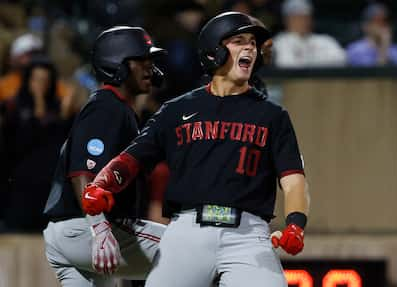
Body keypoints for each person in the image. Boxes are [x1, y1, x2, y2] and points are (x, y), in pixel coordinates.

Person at [81, 12, 310, 287]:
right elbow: (133, 158)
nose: (250, 47)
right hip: (187, 231)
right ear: (214, 51)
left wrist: (296, 224)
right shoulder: (177, 109)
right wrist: (102, 184)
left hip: (248, 236)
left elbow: (294, 181)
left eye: (253, 42)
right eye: (239, 41)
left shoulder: (273, 116)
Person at [42, 26, 167, 286]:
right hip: (86, 226)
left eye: (150, 60)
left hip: (70, 231)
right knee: (195, 251)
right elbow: (82, 171)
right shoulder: (107, 106)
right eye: (141, 60)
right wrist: (98, 227)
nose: (149, 67)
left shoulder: (112, 106)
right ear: (117, 64)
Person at [1, 56, 70, 232]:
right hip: (21, 186)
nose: (41, 84)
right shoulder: (13, 107)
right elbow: (16, 144)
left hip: (48, 186)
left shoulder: (58, 108)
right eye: (37, 79)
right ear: (28, 80)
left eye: (46, 80)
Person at [272, 0, 345, 68]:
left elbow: (341, 59)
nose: (301, 21)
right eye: (296, 17)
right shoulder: (279, 42)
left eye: (305, 17)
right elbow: (286, 64)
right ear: (286, 20)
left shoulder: (326, 40)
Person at [346, 2, 397, 67]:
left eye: (385, 21)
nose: (382, 25)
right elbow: (373, 74)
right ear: (366, 26)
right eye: (378, 21)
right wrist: (384, 45)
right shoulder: (355, 50)